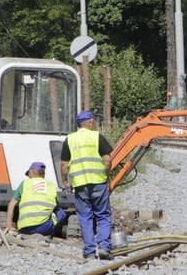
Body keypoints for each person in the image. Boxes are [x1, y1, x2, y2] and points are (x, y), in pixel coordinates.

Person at [60, 110, 115, 260]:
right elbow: (108, 160)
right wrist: (106, 175)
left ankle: (89, 251)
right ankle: (104, 247)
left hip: (80, 185)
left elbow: (64, 164)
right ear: (90, 123)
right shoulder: (96, 136)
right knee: (103, 216)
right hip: (98, 182)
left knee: (85, 217)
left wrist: (65, 180)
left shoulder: (70, 139)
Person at [5, 161, 68, 237]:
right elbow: (56, 206)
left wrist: (9, 226)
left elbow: (11, 204)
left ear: (31, 172)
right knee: (61, 212)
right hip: (44, 228)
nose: (28, 177)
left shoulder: (24, 183)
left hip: (24, 228)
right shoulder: (51, 185)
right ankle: (53, 232)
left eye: (28, 174)